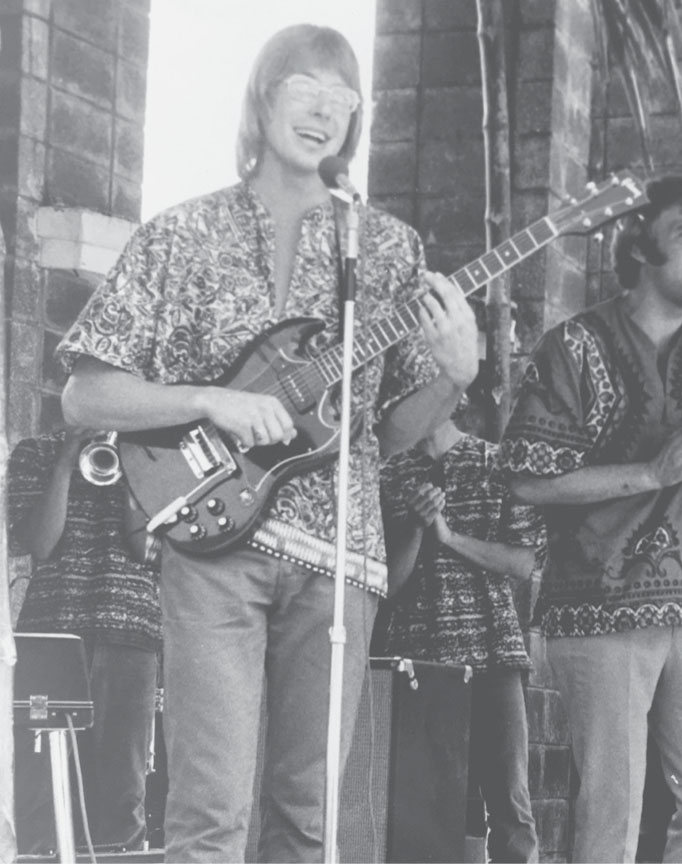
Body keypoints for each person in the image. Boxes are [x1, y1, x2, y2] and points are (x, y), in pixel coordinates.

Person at [55, 24, 479, 864]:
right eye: (305, 86)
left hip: (341, 561)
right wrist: (212, 399)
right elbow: (84, 393)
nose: (325, 109)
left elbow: (385, 434)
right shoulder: (182, 234)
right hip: (211, 545)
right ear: (263, 95)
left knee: (310, 821)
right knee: (208, 816)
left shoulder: (388, 248)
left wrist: (453, 379)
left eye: (344, 95)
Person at [496, 175, 682, 863]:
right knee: (613, 812)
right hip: (602, 605)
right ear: (639, 250)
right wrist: (648, 474)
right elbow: (524, 477)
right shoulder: (573, 346)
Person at [373, 406, 545, 863]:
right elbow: (388, 584)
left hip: (493, 650)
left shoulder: (498, 464)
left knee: (511, 804)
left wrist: (448, 538)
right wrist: (414, 525)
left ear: (455, 396)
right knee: (416, 806)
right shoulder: (389, 474)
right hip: (415, 659)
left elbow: (521, 564)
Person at [8, 428, 160, 853]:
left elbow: (147, 547)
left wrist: (131, 466)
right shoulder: (35, 452)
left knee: (122, 793)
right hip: (52, 635)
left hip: (130, 633)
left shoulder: (149, 454)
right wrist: (65, 460)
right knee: (40, 789)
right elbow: (40, 542)